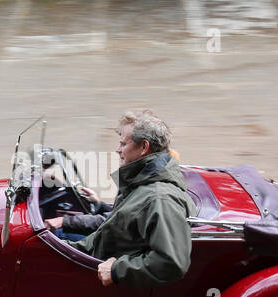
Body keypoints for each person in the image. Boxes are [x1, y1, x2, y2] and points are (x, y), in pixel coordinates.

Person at [46, 110, 193, 287]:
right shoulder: (142, 179)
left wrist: (116, 270)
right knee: (48, 240)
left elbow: (172, 263)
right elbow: (127, 218)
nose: (117, 149)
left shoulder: (159, 200)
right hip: (97, 246)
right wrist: (100, 205)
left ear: (144, 147)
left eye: (123, 144)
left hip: (100, 266)